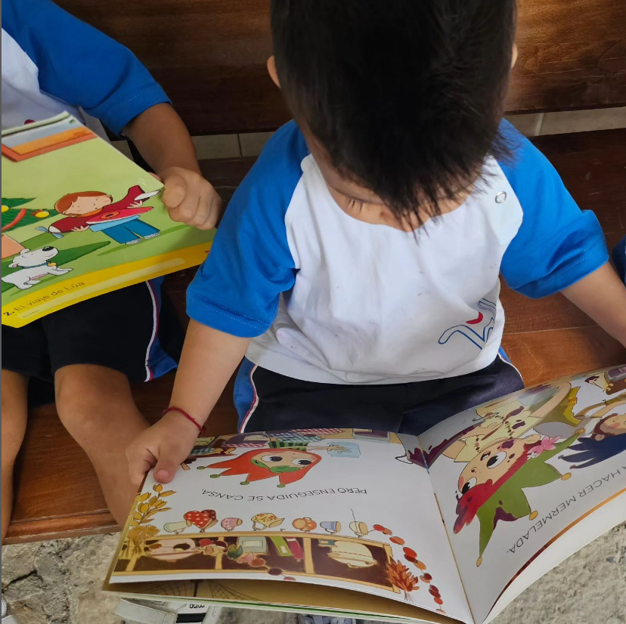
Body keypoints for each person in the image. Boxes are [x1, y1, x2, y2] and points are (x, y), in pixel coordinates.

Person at [128, 0, 626, 483]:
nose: (404, 222)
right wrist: (183, 417)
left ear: (506, 72)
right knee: (303, 509)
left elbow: (570, 257)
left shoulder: (513, 172)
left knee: (506, 484)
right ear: (285, 81)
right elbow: (228, 307)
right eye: (361, 200)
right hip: (308, 381)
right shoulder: (278, 189)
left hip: (464, 375)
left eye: (445, 196)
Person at [1, 0, 222, 545]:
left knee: (90, 402)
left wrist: (179, 172)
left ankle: (175, 584)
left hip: (88, 242)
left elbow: (137, 100)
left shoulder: (18, 20)